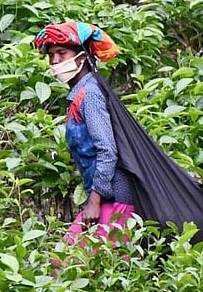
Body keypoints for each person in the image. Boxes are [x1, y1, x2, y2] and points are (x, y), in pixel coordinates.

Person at [34, 21, 135, 246]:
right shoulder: (78, 93)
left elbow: (107, 149)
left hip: (114, 197)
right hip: (104, 197)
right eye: (51, 55)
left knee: (75, 265)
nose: (55, 61)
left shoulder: (89, 94)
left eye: (61, 53)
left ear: (81, 57)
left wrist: (94, 201)